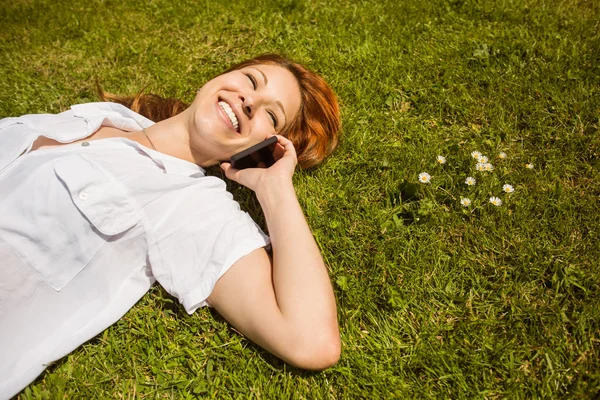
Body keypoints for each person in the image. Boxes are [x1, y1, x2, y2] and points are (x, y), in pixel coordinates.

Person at [0, 54, 341, 397]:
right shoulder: (100, 115)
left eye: (271, 115)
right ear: (221, 77)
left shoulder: (191, 204)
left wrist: (275, 189)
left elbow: (311, 341)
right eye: (251, 80)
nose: (250, 101)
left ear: (264, 149)